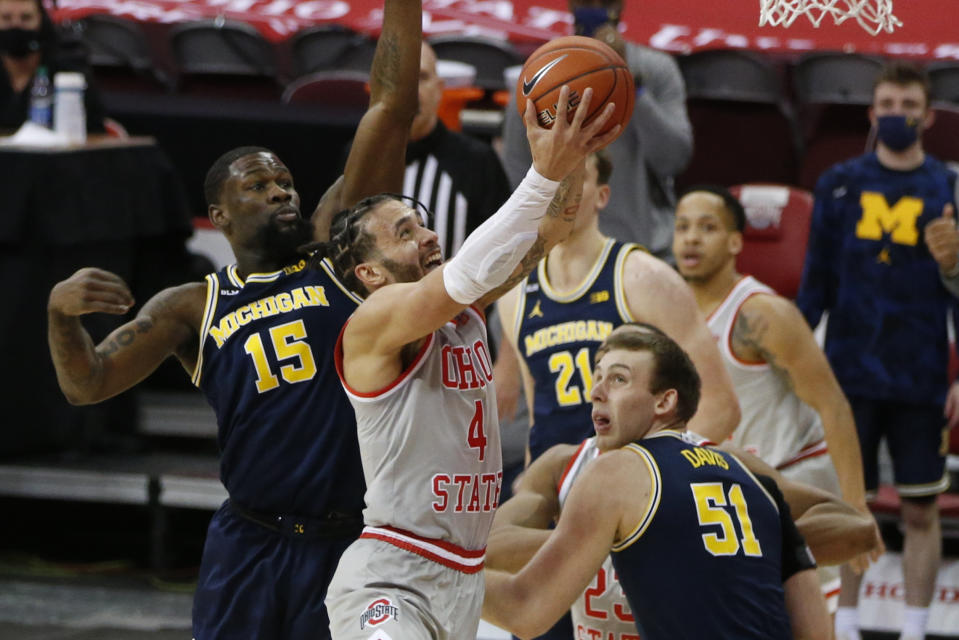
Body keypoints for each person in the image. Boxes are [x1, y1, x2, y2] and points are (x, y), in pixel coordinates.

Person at [45, 0, 423, 637]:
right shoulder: (191, 305)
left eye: (284, 180)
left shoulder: (336, 251)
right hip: (248, 542)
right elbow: (86, 385)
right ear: (218, 216)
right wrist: (60, 315)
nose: (281, 190)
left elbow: (390, 107)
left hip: (347, 542)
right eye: (257, 185)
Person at [324, 87, 620, 640]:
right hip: (392, 578)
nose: (430, 235)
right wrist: (540, 174)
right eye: (405, 233)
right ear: (370, 273)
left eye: (423, 223)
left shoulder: (465, 315)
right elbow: (465, 276)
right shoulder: (374, 320)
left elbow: (552, 231)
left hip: (464, 575)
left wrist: (575, 151)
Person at [487, 323, 883, 640]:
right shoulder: (565, 463)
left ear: (664, 402)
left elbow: (859, 529)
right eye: (598, 377)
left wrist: (732, 548)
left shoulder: (731, 466)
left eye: (618, 379)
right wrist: (604, 542)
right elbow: (488, 545)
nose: (596, 392)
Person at [796, 61, 958, 640]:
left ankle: (915, 629)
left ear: (927, 115)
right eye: (887, 105)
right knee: (847, 507)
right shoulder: (838, 184)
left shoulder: (949, 187)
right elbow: (815, 284)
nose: (896, 116)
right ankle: (845, 625)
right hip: (847, 375)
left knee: (921, 510)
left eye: (907, 106)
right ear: (871, 113)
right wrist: (794, 362)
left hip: (921, 374)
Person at [672, 184, 882, 612]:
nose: (691, 238)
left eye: (707, 227)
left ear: (735, 243)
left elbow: (834, 407)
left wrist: (856, 508)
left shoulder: (762, 314)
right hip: (731, 482)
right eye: (682, 227)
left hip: (797, 476)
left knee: (806, 618)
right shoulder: (667, 309)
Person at [496, 151, 740, 463]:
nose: (560, 190)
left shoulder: (644, 278)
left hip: (632, 483)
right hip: (560, 487)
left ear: (602, 196)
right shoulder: (516, 293)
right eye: (552, 177)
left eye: (575, 180)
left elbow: (720, 407)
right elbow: (538, 420)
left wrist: (649, 476)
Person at [500, 0, 692, 261]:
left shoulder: (656, 68)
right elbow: (516, 168)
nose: (595, 7)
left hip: (643, 249)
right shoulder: (541, 73)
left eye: (605, 1)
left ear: (621, 6)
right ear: (570, 5)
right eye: (587, 1)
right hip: (560, 251)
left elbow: (673, 159)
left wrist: (631, 83)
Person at [0, 0, 105, 133]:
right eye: (6, 18)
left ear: (42, 20)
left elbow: (93, 128)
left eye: (26, 18)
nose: (16, 25)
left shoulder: (68, 62)